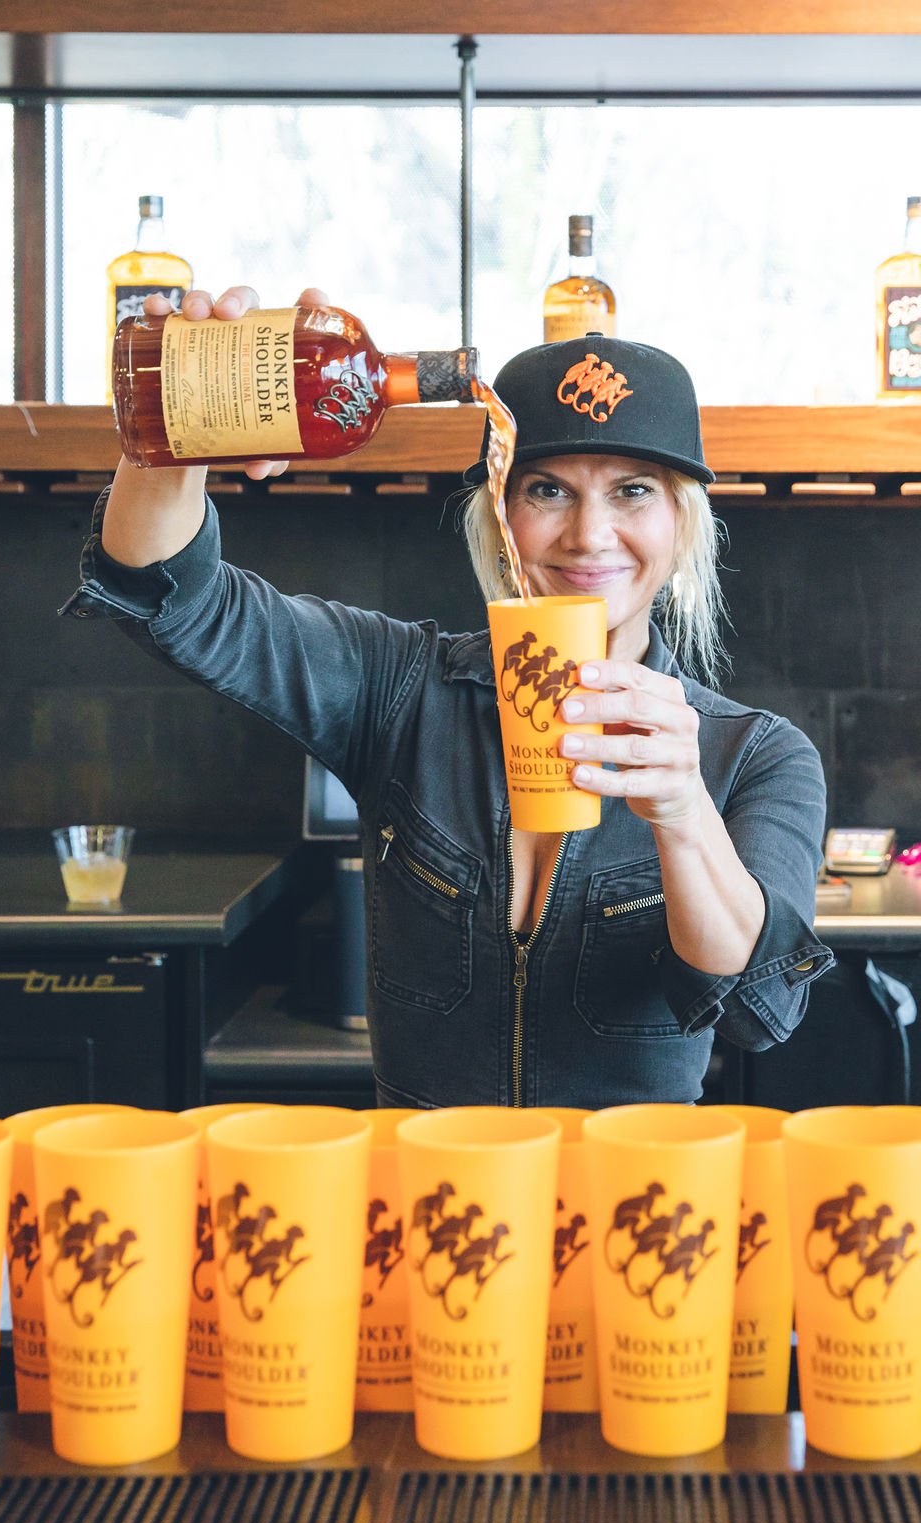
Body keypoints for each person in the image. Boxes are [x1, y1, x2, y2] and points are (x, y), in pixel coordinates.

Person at [65, 283, 834, 1110]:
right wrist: (181, 425)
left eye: (633, 490)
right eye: (548, 490)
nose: (588, 533)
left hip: (629, 1216)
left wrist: (683, 812)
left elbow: (759, 1006)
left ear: (682, 525)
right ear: (499, 516)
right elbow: (175, 599)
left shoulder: (754, 755)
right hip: (429, 1208)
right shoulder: (400, 689)